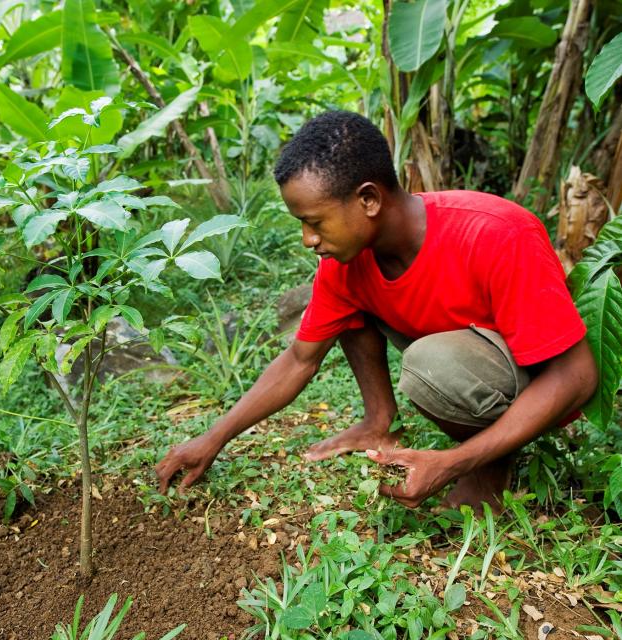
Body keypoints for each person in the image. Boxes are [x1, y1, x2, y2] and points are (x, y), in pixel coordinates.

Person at [155, 111, 598, 512]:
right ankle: (378, 421)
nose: (308, 239)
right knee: (353, 307)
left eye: (314, 222)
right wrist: (212, 439)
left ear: (368, 199)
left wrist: (455, 462)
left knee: (430, 364)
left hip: (535, 385)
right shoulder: (346, 259)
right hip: (464, 361)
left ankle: (490, 468)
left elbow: (576, 375)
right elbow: (300, 360)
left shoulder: (496, 233)